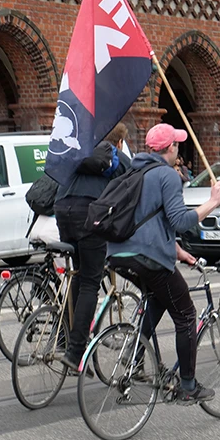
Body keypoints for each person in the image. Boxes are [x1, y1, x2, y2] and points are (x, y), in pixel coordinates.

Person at [107, 123, 220, 402]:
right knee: (185, 314)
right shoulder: (167, 176)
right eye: (177, 144)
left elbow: (150, 222)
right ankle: (188, 386)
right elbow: (180, 221)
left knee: (159, 299)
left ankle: (135, 356)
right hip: (149, 257)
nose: (178, 149)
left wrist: (177, 252)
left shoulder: (134, 170)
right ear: (170, 148)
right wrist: (213, 202)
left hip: (118, 254)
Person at [55, 123, 130, 371]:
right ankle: (76, 352)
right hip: (87, 215)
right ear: (119, 142)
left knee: (78, 274)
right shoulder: (116, 158)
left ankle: (64, 337)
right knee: (90, 281)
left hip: (63, 210)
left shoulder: (80, 150)